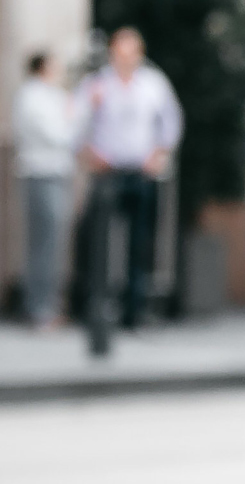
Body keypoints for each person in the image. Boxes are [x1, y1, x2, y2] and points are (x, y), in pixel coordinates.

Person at [76, 27, 183, 330]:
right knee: (99, 244)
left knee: (140, 244)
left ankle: (133, 312)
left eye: (131, 52)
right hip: (107, 173)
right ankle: (95, 311)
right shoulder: (97, 84)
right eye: (120, 52)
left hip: (140, 173)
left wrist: (159, 154)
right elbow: (76, 120)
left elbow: (172, 121)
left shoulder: (152, 83)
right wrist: (88, 153)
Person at [11, 51, 76, 329]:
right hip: (42, 174)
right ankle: (40, 309)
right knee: (45, 244)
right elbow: (60, 135)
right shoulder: (32, 97)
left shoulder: (53, 96)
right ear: (43, 67)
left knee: (50, 244)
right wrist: (73, 119)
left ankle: (45, 306)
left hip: (55, 174)